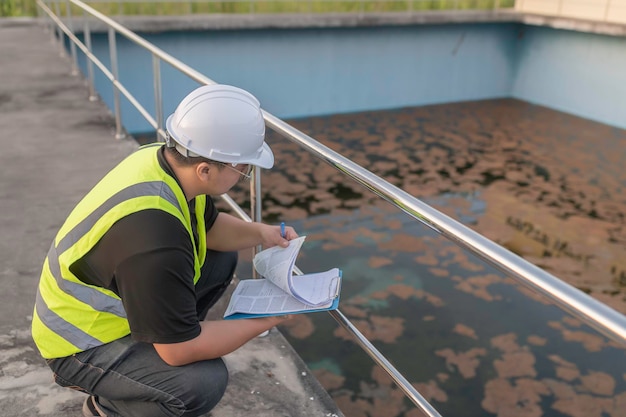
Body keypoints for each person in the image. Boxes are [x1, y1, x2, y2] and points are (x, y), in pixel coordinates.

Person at [31, 84, 296, 417]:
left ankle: (164, 329)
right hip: (78, 345)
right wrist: (265, 321)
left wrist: (262, 233)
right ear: (206, 170)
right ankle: (110, 407)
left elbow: (211, 230)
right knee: (201, 382)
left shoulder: (163, 161)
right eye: (244, 169)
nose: (244, 176)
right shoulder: (154, 238)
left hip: (125, 299)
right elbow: (178, 352)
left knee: (221, 257)